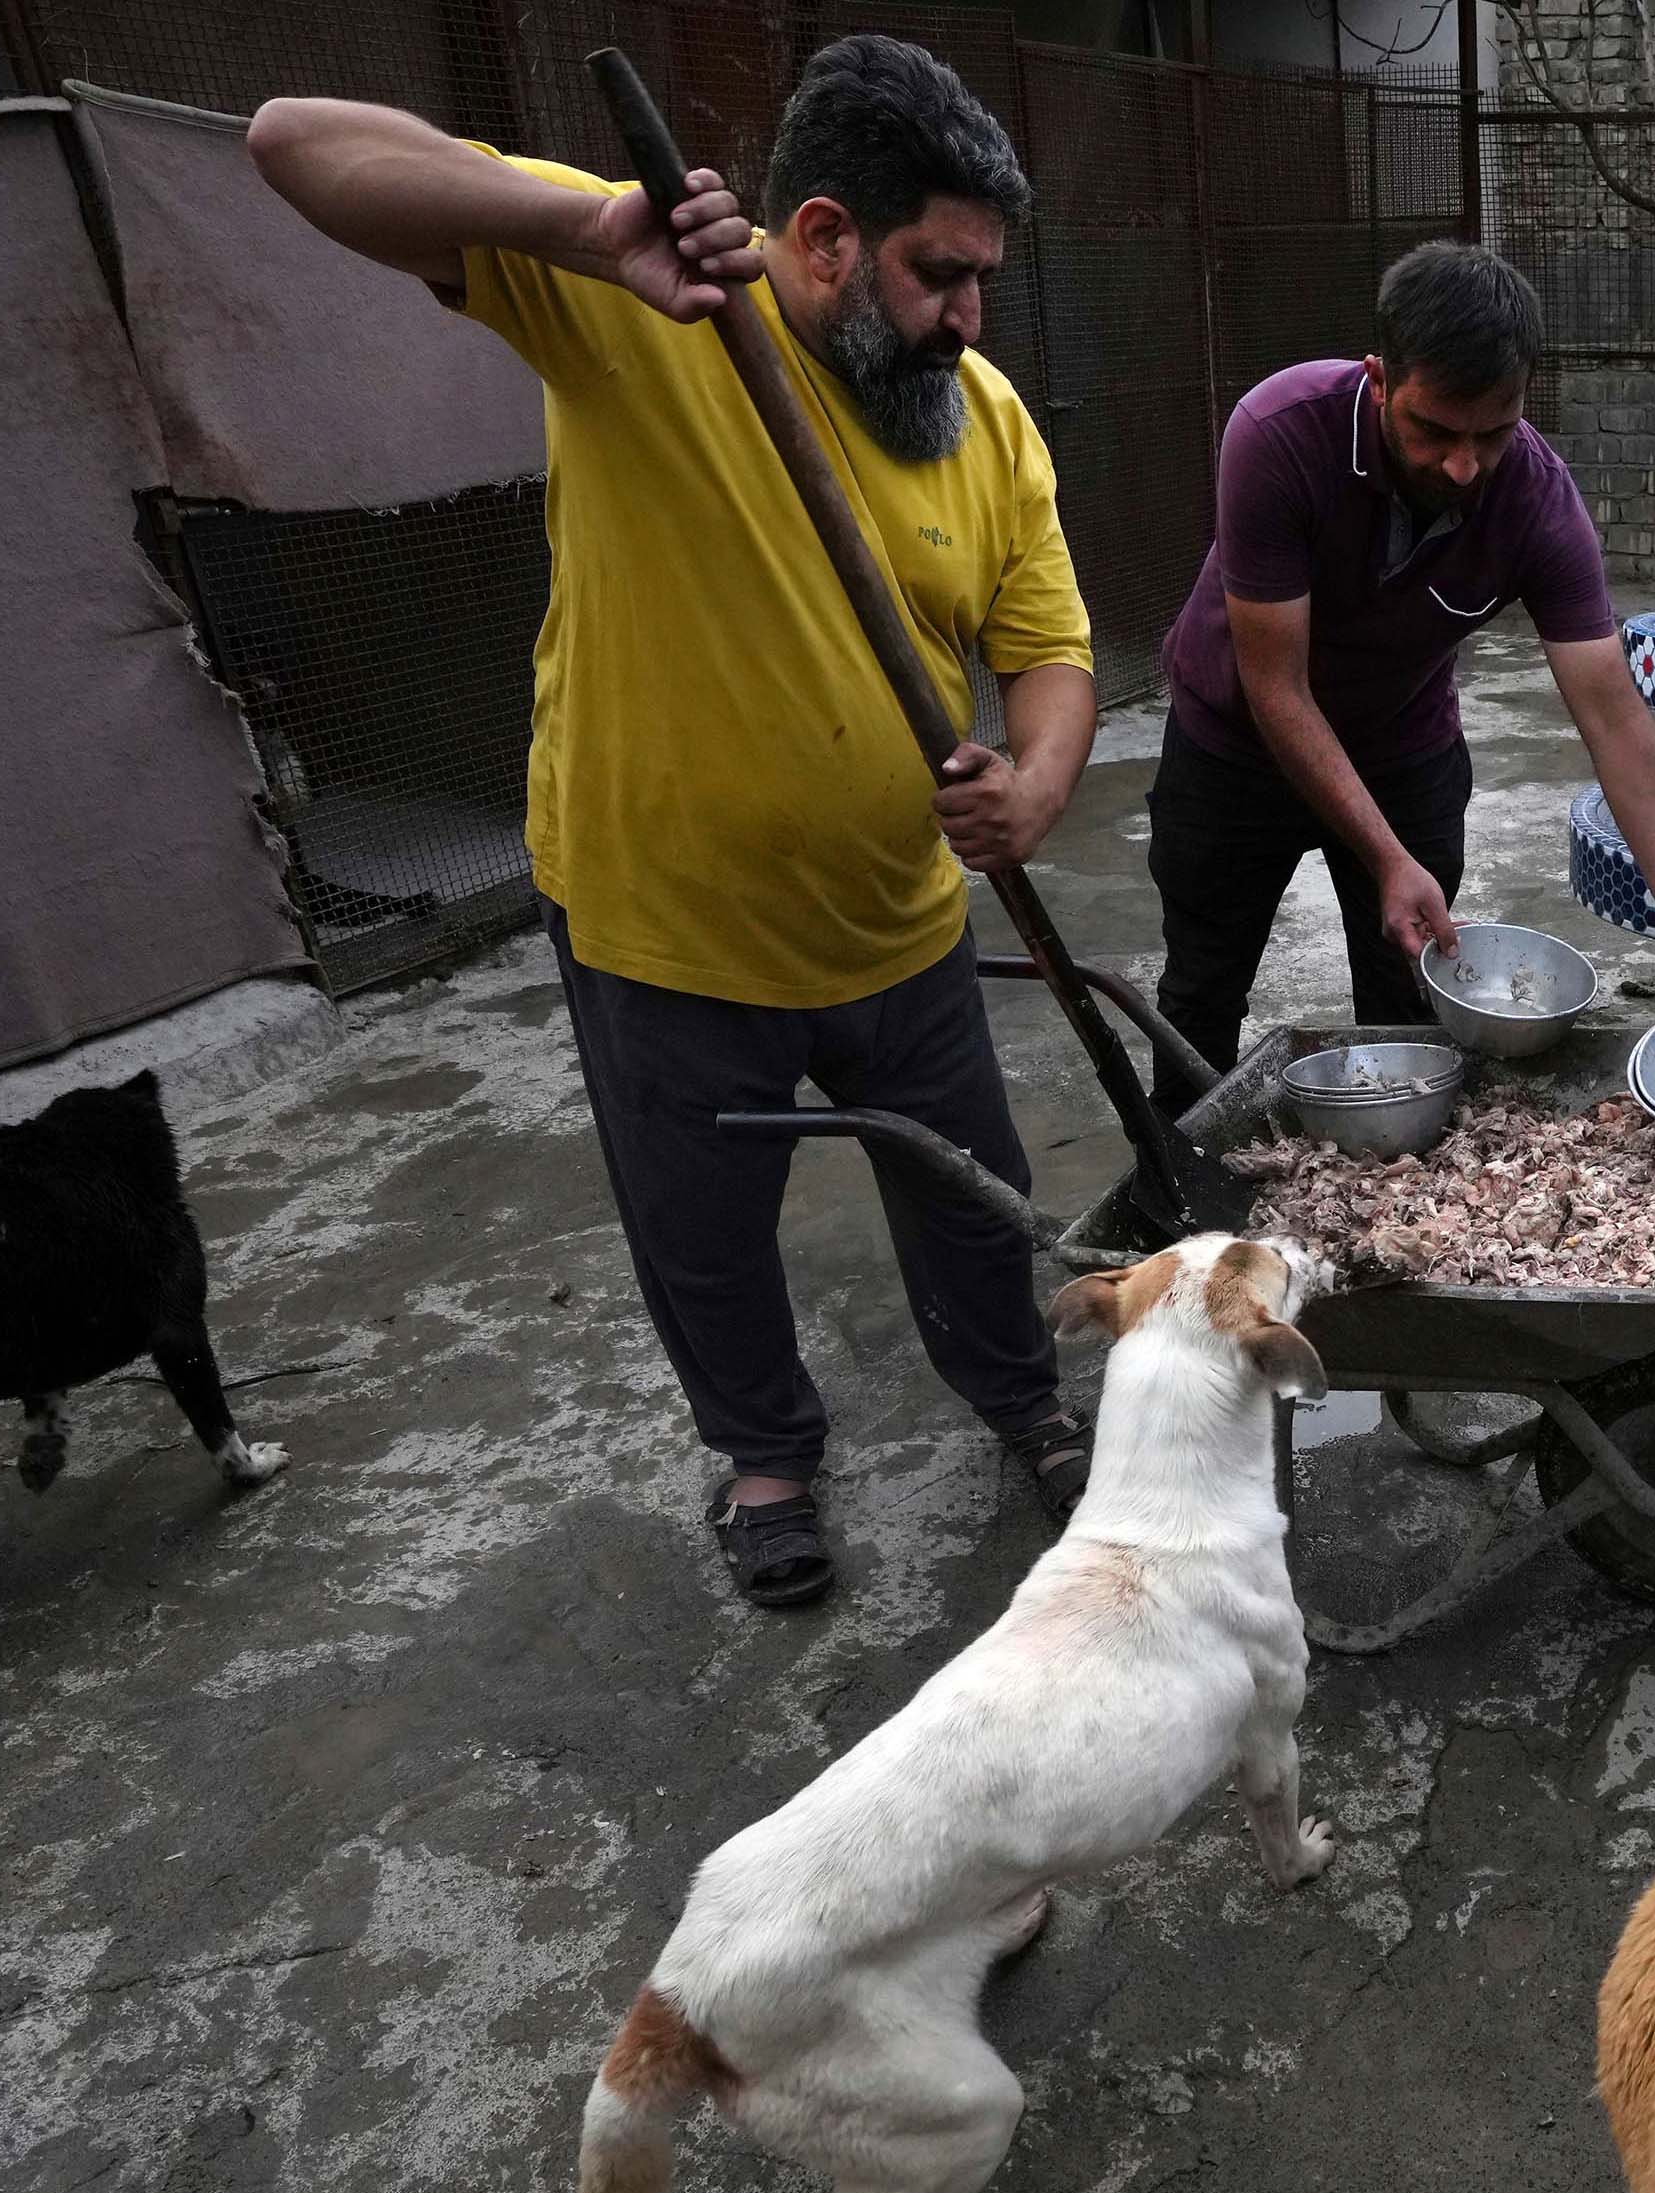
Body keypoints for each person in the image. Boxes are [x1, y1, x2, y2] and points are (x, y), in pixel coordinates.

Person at [249, 37, 1102, 1609]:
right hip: (667, 932)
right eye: (940, 272)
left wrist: (1037, 779)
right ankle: (767, 1453)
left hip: (892, 920)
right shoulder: (646, 293)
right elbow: (295, 139)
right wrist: (578, 232)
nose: (970, 315)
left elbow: (1045, 647)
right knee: (702, 1231)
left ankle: (1023, 1400)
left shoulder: (983, 421)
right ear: (828, 237)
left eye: (982, 277)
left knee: (976, 1196)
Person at [1147, 241, 1655, 1082]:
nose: (1465, 465)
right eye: (1433, 430)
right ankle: (1177, 1200)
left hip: (1404, 747)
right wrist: (1387, 856)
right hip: (1236, 748)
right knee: (1201, 996)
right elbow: (1276, 689)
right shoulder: (1277, 434)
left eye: (1494, 433)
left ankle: (1394, 1196)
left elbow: (1613, 711)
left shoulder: (1538, 500)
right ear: (1379, 378)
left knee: (1411, 995)